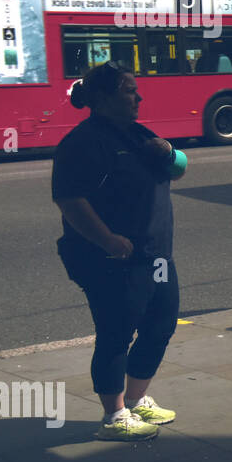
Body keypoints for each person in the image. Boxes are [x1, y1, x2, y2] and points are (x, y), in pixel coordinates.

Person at [52, 62, 187, 441]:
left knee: (161, 325)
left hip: (157, 253)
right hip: (112, 258)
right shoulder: (83, 142)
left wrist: (169, 151)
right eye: (130, 90)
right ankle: (114, 416)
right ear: (103, 98)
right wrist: (107, 239)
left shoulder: (138, 133)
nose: (138, 97)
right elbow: (69, 198)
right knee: (115, 332)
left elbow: (178, 170)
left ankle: (136, 398)